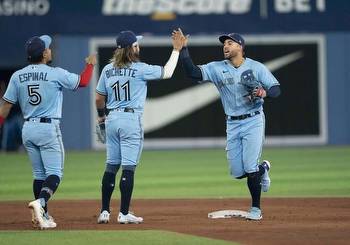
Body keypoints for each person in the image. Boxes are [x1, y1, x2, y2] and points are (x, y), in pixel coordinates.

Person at [175, 30, 281, 220]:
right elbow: (192, 73)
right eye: (224, 44)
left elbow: (276, 89)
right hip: (232, 123)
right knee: (238, 172)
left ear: (240, 47)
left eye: (230, 43)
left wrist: (262, 93)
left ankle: (256, 210)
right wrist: (184, 50)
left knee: (249, 168)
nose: (225, 46)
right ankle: (263, 168)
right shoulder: (217, 68)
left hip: (253, 120)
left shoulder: (256, 67)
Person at [0, 35, 96, 229]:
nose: (51, 50)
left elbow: (5, 107)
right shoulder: (55, 73)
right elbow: (83, 82)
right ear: (44, 53)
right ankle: (40, 203)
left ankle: (42, 215)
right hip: (48, 128)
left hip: (28, 129)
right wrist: (91, 65)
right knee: (55, 174)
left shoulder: (17, 76)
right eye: (48, 48)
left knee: (39, 174)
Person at [95, 30, 183, 224]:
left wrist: (101, 118)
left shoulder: (107, 69)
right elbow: (167, 72)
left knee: (111, 166)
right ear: (131, 48)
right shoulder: (140, 68)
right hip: (130, 119)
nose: (139, 47)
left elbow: (99, 98)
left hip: (112, 119)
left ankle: (104, 211)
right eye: (136, 44)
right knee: (128, 167)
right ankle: (124, 213)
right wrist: (176, 50)